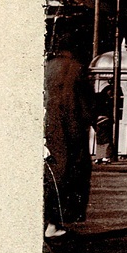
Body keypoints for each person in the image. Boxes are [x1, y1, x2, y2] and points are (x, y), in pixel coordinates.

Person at [44, 46, 93, 239]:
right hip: (67, 130)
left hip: (47, 126)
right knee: (66, 174)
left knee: (48, 175)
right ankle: (53, 224)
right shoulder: (76, 68)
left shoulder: (48, 66)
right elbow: (83, 106)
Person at [92, 84, 114, 164]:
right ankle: (105, 156)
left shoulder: (98, 98)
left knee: (99, 140)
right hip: (105, 121)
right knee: (106, 140)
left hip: (98, 121)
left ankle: (99, 157)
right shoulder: (107, 101)